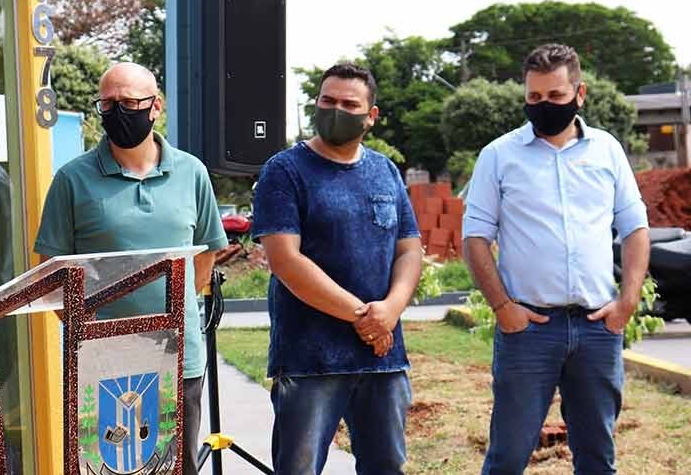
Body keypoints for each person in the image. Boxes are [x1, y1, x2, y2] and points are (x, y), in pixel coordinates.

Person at [463, 43, 650, 475]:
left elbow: (635, 227)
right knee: (508, 457)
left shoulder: (607, 151)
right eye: (534, 98)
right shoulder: (499, 155)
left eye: (555, 97)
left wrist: (627, 302)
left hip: (597, 328)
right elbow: (475, 237)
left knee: (598, 457)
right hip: (529, 331)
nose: (543, 106)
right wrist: (503, 309)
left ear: (579, 94)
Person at [35, 62, 228, 470]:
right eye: (107, 103)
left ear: (155, 106)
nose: (117, 111)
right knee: (108, 465)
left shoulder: (191, 172)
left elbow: (206, 253)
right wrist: (90, 332)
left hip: (178, 357)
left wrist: (170, 314)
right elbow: (49, 272)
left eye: (128, 102)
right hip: (101, 360)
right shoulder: (73, 179)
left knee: (176, 465)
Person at [252, 63, 423, 474]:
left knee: (387, 467)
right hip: (310, 360)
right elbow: (286, 260)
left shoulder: (384, 171)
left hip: (383, 360)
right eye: (327, 101)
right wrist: (366, 318)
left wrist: (391, 310)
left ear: (371, 116)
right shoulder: (285, 170)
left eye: (349, 104)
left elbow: (409, 249)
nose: (336, 110)